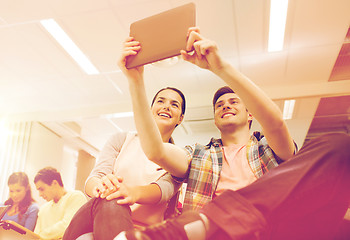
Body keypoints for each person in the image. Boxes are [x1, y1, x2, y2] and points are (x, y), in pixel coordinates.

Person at [114, 28, 350, 240]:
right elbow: (156, 151)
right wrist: (135, 81)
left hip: (271, 230)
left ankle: (206, 223)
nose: (226, 105)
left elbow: (275, 122)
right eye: (219, 105)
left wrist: (221, 68)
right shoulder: (197, 154)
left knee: (341, 146)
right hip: (218, 236)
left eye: (234, 101)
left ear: (250, 115)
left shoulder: (269, 150)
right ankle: (208, 224)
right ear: (215, 119)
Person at [62, 64, 187, 239]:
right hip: (99, 211)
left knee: (116, 197)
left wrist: (129, 191)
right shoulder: (121, 139)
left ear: (180, 118)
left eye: (174, 105)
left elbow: (163, 190)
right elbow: (94, 179)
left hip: (141, 230)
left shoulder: (179, 158)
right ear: (150, 110)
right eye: (161, 101)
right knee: (112, 198)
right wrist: (102, 187)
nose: (166, 107)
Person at [34, 167, 87, 240]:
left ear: (54, 183)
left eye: (42, 189)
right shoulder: (43, 209)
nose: (40, 194)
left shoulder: (76, 197)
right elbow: (35, 236)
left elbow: (67, 226)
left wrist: (41, 236)